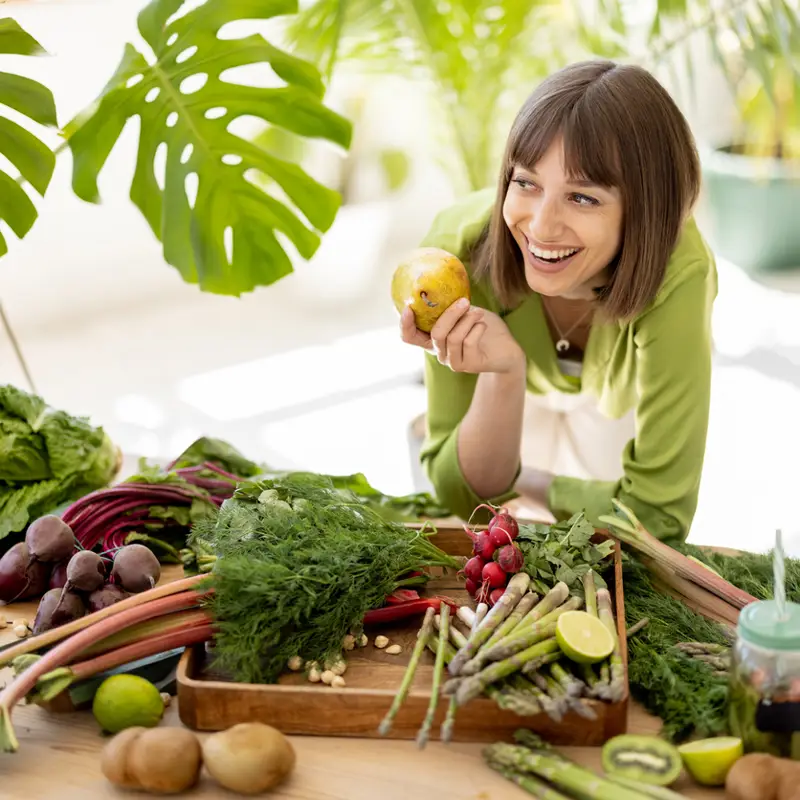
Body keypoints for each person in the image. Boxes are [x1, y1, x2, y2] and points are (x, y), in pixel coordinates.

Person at [400, 59, 717, 542]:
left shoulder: (679, 274)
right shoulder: (456, 257)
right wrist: (502, 374)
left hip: (613, 399)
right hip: (519, 389)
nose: (542, 227)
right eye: (526, 183)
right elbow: (461, 496)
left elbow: (657, 518)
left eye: (583, 198)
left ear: (646, 208)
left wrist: (530, 484)